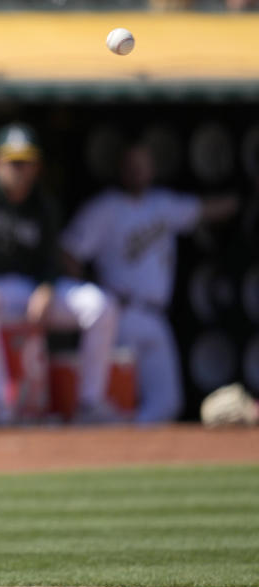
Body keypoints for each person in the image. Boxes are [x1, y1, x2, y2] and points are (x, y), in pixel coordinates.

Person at [0, 123, 119, 425]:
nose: (19, 170)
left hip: (21, 289)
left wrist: (47, 287)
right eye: (12, 162)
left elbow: (51, 257)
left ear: (37, 166)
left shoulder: (43, 202)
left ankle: (91, 403)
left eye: (26, 162)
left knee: (100, 305)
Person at [61, 142, 239, 423]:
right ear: (121, 170)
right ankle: (111, 450)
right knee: (116, 400)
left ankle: (135, 450)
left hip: (156, 314)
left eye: (142, 165)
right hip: (120, 313)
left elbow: (206, 209)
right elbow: (69, 251)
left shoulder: (162, 204)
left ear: (152, 169)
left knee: (168, 403)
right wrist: (90, 289)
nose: (136, 172)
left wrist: (242, 199)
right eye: (131, 166)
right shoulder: (105, 207)